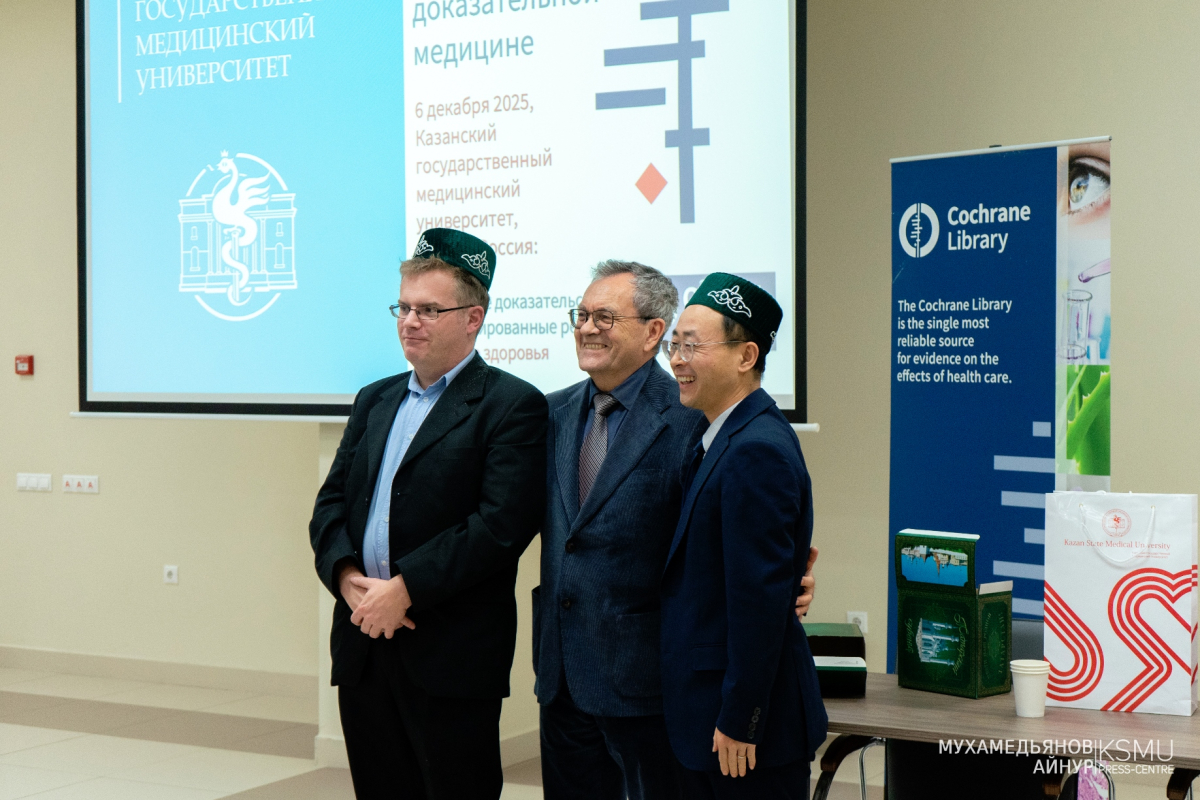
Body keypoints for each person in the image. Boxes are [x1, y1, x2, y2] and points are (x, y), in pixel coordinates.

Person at [535, 262, 818, 800]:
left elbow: (748, 561)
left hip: (648, 685)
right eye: (582, 315)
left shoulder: (697, 418)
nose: (588, 327)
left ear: (651, 331)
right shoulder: (551, 414)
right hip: (562, 677)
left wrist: (786, 584)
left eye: (605, 317)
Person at [309, 228, 548, 800]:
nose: (410, 322)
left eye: (429, 310)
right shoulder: (375, 398)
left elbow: (500, 526)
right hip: (364, 640)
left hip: (449, 652)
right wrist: (346, 577)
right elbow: (331, 504)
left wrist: (405, 589)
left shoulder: (511, 404)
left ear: (473, 318)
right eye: (404, 307)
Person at [660, 273, 827, 799]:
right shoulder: (717, 434)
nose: (677, 360)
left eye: (692, 346)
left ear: (746, 355)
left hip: (744, 732)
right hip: (706, 712)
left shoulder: (755, 449)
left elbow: (759, 604)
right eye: (674, 345)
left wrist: (740, 717)